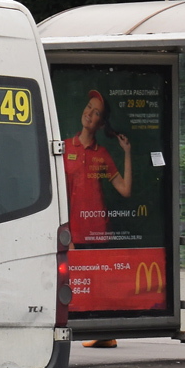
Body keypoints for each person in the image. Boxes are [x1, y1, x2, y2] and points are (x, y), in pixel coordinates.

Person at [63, 89, 132, 349]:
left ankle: (103, 333)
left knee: (98, 283)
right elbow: (60, 194)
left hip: (98, 230)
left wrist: (126, 152)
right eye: (88, 107)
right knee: (75, 283)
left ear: (101, 123)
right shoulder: (65, 147)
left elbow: (125, 190)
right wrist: (66, 232)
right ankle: (86, 330)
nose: (89, 114)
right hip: (73, 231)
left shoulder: (102, 153)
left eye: (96, 113)